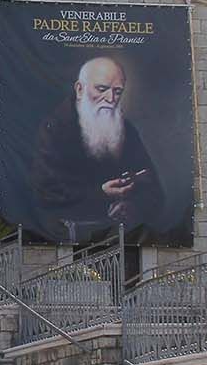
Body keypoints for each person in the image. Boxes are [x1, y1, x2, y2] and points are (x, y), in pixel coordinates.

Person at [27, 55, 164, 243]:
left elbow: (154, 191)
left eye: (117, 91)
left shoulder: (126, 131)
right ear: (80, 89)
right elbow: (45, 191)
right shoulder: (54, 128)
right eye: (102, 89)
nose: (110, 98)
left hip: (119, 238)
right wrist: (101, 194)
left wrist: (131, 205)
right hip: (65, 235)